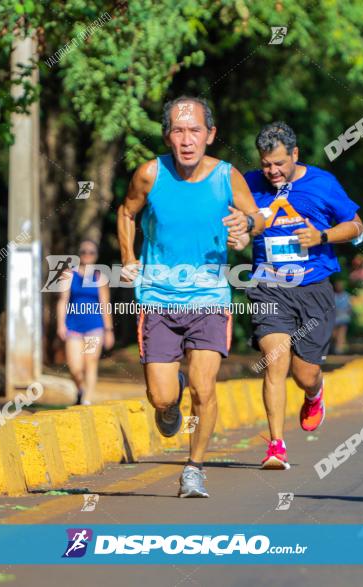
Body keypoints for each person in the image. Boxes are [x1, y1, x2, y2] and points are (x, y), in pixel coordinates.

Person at [117, 95, 264, 497]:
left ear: (210, 135)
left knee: (205, 387)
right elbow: (127, 212)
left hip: (210, 298)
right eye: (179, 131)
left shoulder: (227, 177)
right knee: (161, 396)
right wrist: (128, 257)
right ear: (167, 135)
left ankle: (194, 467)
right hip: (159, 300)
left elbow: (258, 218)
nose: (186, 140)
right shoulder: (150, 175)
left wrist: (245, 227)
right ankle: (170, 395)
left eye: (195, 131)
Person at [243, 121, 363, 470]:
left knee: (303, 373)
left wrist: (322, 237)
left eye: (280, 163)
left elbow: (357, 227)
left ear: (295, 154)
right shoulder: (249, 184)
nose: (273, 171)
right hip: (270, 285)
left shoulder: (322, 183)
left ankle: (314, 393)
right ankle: (276, 446)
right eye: (266, 164)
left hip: (314, 288)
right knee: (274, 361)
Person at [55, 240, 114, 405]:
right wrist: (60, 324)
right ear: (79, 254)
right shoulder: (68, 275)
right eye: (84, 251)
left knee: (91, 361)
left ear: (96, 255)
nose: (87, 254)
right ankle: (81, 389)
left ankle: (87, 399)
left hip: (94, 327)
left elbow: (105, 304)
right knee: (75, 367)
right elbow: (62, 301)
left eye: (91, 252)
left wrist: (109, 331)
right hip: (73, 327)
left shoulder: (100, 277)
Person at [332, 280, 352, 354]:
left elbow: (349, 307)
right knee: (334, 334)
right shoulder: (333, 295)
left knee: (341, 333)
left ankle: (339, 348)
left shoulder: (346, 295)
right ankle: (340, 345)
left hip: (344, 318)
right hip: (334, 318)